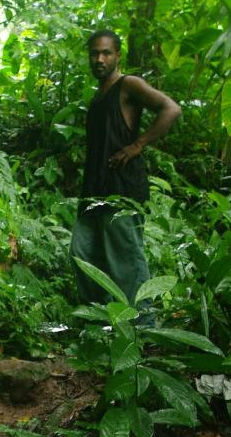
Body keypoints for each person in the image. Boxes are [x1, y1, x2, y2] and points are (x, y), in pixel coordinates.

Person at [73, 29, 182, 316]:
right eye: (94, 53)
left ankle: (141, 323)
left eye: (106, 52)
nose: (99, 58)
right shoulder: (99, 96)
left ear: (117, 55)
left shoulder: (127, 85)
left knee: (124, 259)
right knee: (82, 253)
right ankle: (101, 319)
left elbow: (171, 109)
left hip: (121, 189)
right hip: (94, 191)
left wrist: (137, 145)